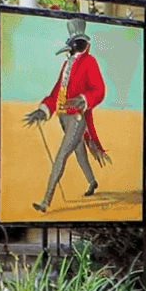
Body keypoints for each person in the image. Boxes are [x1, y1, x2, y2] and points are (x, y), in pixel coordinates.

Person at [24, 18, 110, 213]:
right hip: (63, 116)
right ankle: (92, 182)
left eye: (78, 42)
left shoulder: (90, 62)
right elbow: (57, 92)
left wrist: (84, 99)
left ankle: (46, 201)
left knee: (62, 155)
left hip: (77, 117)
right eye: (74, 43)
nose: (75, 46)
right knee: (79, 152)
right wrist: (44, 109)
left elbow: (100, 90)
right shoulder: (67, 65)